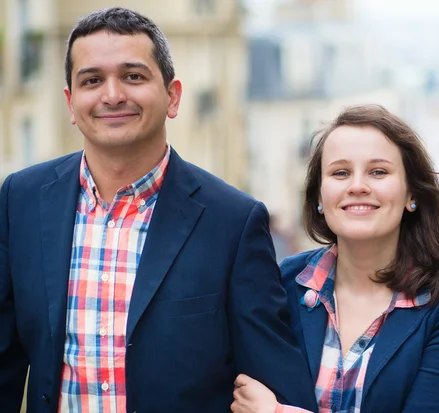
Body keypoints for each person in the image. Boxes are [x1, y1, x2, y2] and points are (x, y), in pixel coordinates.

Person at [0, 7, 317, 413]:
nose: (112, 95)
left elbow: (274, 388)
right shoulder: (21, 200)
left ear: (172, 96)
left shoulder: (233, 223)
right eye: (92, 80)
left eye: (133, 76)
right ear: (71, 102)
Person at [231, 105, 439, 413]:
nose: (357, 186)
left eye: (378, 172)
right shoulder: (284, 283)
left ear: (411, 195)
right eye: (340, 173)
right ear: (319, 199)